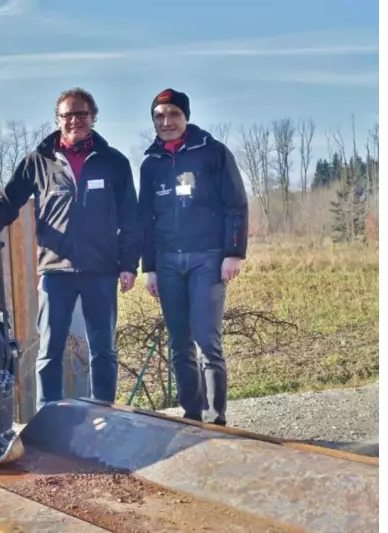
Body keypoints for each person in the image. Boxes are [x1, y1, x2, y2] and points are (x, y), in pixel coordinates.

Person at [0, 87, 141, 410]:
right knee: (49, 350)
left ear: (93, 117)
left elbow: (131, 217)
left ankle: (104, 413)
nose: (74, 120)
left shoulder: (114, 162)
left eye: (81, 114)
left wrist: (129, 264)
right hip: (55, 272)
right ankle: (47, 418)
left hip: (101, 270)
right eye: (67, 115)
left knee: (103, 350)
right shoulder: (39, 161)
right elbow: (9, 197)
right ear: (58, 119)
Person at [138, 88, 248, 426]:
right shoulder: (151, 164)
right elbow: (145, 220)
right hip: (168, 263)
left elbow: (236, 205)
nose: (166, 122)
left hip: (207, 260)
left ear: (186, 117)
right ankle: (192, 416)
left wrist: (233, 253)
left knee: (206, 342)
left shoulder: (212, 153)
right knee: (179, 344)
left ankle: (216, 419)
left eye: (173, 114)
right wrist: (150, 268)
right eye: (159, 116)